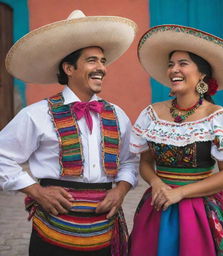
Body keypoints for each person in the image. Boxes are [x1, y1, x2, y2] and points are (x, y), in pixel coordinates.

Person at [0, 10, 138, 256]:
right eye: (92, 60)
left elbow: (130, 160)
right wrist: (36, 191)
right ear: (69, 68)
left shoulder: (117, 115)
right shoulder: (37, 114)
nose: (101, 68)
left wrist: (120, 190)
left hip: (104, 234)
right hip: (52, 234)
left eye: (103, 61)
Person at [129, 24, 223, 256]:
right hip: (157, 205)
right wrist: (156, 184)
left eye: (183, 63)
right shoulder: (151, 114)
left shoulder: (217, 117)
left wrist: (181, 193)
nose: (174, 69)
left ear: (202, 73)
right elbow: (145, 163)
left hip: (200, 209)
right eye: (170, 64)